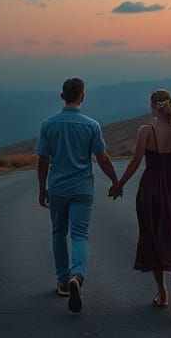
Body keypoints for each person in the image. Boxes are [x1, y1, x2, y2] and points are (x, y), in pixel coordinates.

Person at [112, 88, 171, 316]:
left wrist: (120, 183)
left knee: (153, 237)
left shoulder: (146, 130)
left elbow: (135, 162)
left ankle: (162, 293)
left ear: (153, 106)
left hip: (150, 188)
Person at [36, 77, 121, 313]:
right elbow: (102, 158)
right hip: (82, 188)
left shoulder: (48, 124)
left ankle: (63, 281)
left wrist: (42, 188)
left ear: (62, 96)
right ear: (82, 97)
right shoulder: (91, 125)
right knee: (80, 235)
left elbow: (42, 160)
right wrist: (115, 181)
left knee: (58, 233)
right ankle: (77, 275)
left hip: (58, 188)